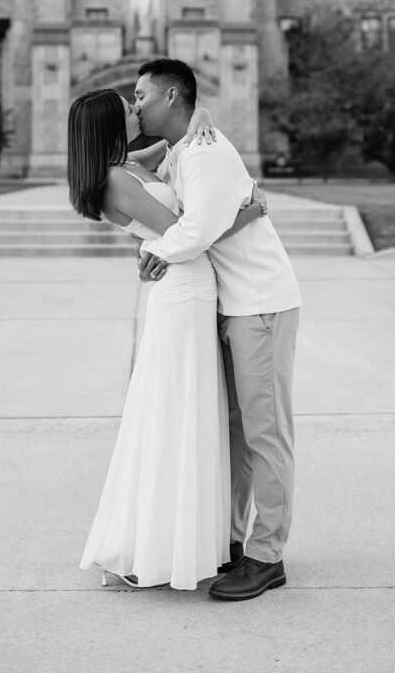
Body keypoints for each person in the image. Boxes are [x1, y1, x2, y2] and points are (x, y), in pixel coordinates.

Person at [68, 88, 266, 590]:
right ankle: (162, 545)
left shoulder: (130, 161)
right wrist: (251, 209)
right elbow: (188, 233)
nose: (138, 110)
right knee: (178, 412)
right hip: (182, 291)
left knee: (192, 410)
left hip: (192, 286)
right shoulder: (115, 179)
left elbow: (182, 135)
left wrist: (201, 113)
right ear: (111, 125)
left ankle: (195, 538)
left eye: (137, 102)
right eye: (129, 109)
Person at [134, 58, 302, 602]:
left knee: (264, 432)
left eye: (142, 96)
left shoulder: (203, 152)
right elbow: (137, 163)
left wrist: (156, 249)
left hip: (260, 303)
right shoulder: (181, 149)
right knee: (233, 434)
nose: (136, 105)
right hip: (226, 307)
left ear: (172, 97)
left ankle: (267, 556)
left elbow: (197, 229)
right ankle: (232, 542)